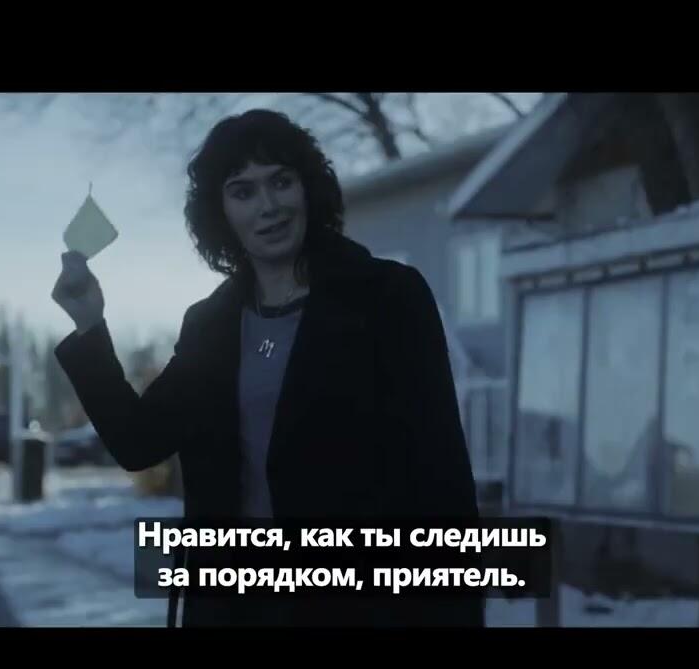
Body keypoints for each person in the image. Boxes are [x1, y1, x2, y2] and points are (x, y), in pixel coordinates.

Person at [50, 109, 483, 627]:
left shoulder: (388, 299)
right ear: (220, 212)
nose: (269, 206)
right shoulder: (210, 325)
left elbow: (440, 474)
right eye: (243, 191)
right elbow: (138, 441)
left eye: (281, 181)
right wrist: (89, 325)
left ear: (307, 188)